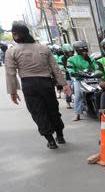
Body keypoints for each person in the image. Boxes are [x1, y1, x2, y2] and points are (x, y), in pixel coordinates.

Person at [5, 21, 70, 149]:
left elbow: (10, 73)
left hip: (29, 85)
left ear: (17, 35)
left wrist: (13, 92)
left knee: (38, 112)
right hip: (46, 83)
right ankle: (60, 136)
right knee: (53, 109)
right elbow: (55, 68)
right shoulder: (43, 48)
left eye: (13, 34)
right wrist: (64, 84)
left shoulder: (12, 51)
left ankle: (51, 140)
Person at [67, 41, 97, 121]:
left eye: (85, 49)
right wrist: (74, 73)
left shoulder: (90, 58)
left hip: (92, 78)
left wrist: (89, 61)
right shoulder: (72, 59)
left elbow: (96, 68)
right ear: (77, 50)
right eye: (82, 49)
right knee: (78, 95)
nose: (84, 50)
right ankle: (77, 114)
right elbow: (70, 69)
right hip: (79, 79)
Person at [60, 43, 75, 109]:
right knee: (68, 88)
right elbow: (62, 66)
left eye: (71, 52)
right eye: (69, 52)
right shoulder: (63, 58)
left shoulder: (75, 57)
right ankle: (68, 103)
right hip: (68, 76)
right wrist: (64, 69)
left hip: (76, 74)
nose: (70, 53)